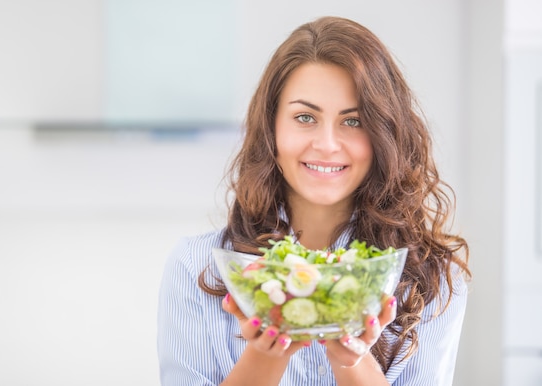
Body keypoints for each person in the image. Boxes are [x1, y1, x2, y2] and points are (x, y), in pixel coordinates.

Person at [157, 16, 471, 386]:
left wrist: (353, 363)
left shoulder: (432, 278)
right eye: (305, 117)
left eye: (353, 122)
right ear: (271, 127)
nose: (326, 145)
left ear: (384, 133)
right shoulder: (197, 268)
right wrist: (263, 354)